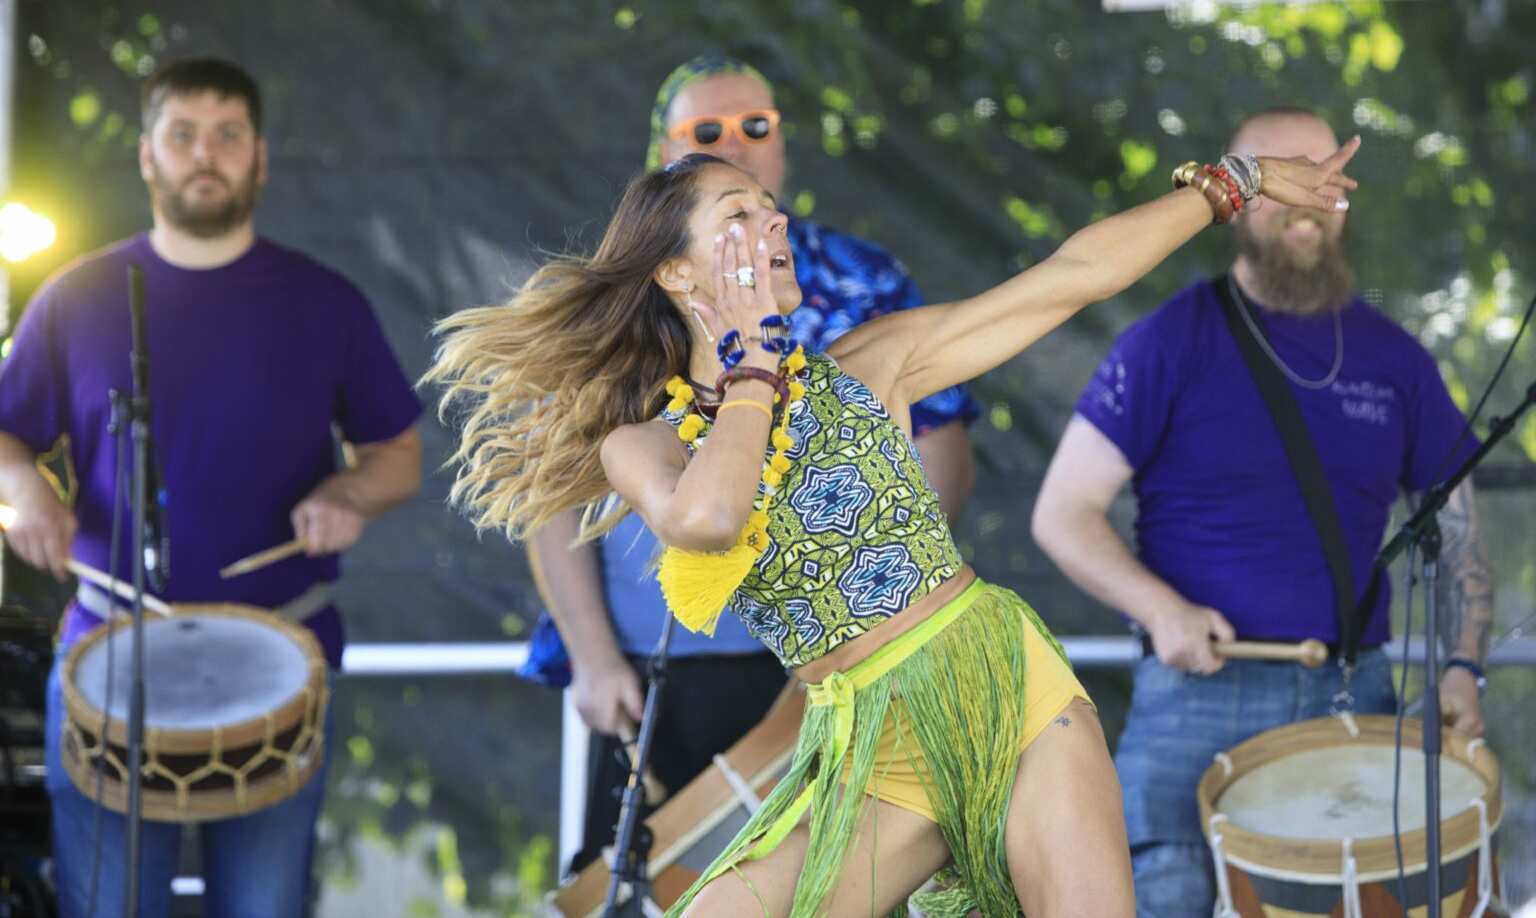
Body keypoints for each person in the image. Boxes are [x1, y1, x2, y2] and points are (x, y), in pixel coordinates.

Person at [429, 134, 1359, 915]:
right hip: (864, 739)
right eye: (738, 217)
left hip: (998, 681)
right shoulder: (644, 443)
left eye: (770, 207)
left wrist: (1231, 183)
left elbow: (1067, 278)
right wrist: (753, 364)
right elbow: (709, 520)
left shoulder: (868, 363)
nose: (774, 223)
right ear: (674, 269)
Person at [1031, 108, 1492, 918]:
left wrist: (1463, 664)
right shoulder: (1166, 341)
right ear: (1234, 199)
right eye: (1281, 178)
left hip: (1353, 696)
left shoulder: (1395, 358)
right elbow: (1063, 513)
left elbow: (1459, 535)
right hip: (1191, 694)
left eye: (1325, 177)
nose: (1306, 198)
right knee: (1160, 898)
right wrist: (1160, 610)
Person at [527, 54, 979, 873]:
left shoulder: (859, 277)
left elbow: (939, 442)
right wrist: (590, 654)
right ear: (665, 154)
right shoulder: (635, 293)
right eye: (709, 132)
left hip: (833, 662)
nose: (737, 142)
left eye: (756, 128)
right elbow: (553, 491)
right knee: (638, 882)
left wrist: (887, 603)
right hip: (652, 665)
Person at [0, 57, 423, 917]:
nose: (206, 154)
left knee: (262, 909)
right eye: (183, 134)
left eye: (228, 135)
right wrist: (27, 490)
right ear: (148, 158)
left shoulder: (323, 302)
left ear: (260, 158)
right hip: (107, 651)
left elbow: (397, 453)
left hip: (280, 652)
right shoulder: (75, 296)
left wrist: (348, 495)